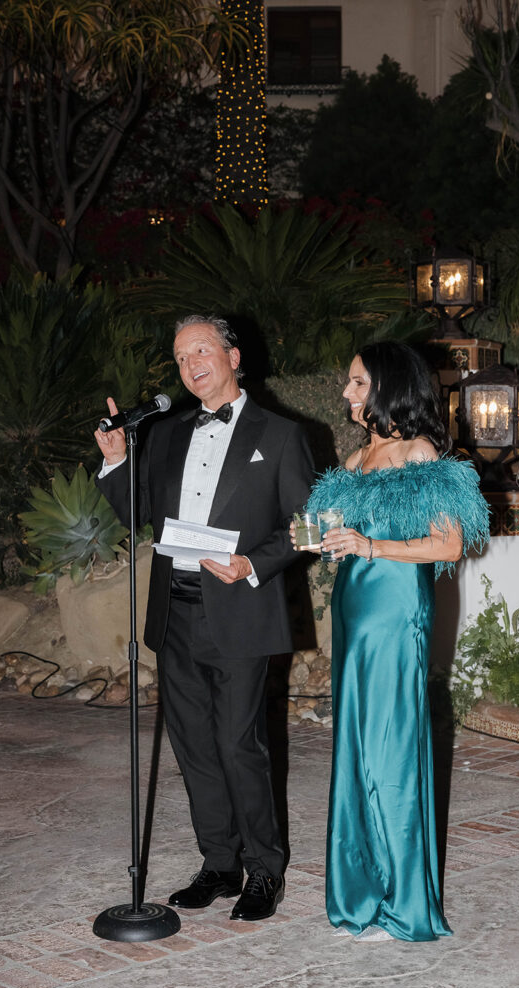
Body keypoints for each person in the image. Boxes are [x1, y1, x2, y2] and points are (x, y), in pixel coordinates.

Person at [95, 314, 315, 922]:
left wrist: (251, 562)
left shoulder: (281, 433)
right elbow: (140, 513)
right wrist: (116, 463)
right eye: (181, 355)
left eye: (202, 350)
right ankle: (219, 862)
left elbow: (305, 525)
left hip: (241, 606)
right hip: (176, 610)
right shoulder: (164, 433)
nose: (191, 363)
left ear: (233, 355)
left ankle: (265, 870)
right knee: (192, 745)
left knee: (238, 743)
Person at [301, 341, 490, 942]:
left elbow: (450, 545)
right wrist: (318, 537)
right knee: (355, 748)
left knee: (391, 748)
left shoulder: (419, 452)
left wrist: (371, 545)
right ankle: (358, 898)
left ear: (387, 386)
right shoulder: (356, 460)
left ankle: (403, 903)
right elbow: (338, 532)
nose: (348, 394)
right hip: (354, 611)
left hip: (396, 610)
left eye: (357, 383)